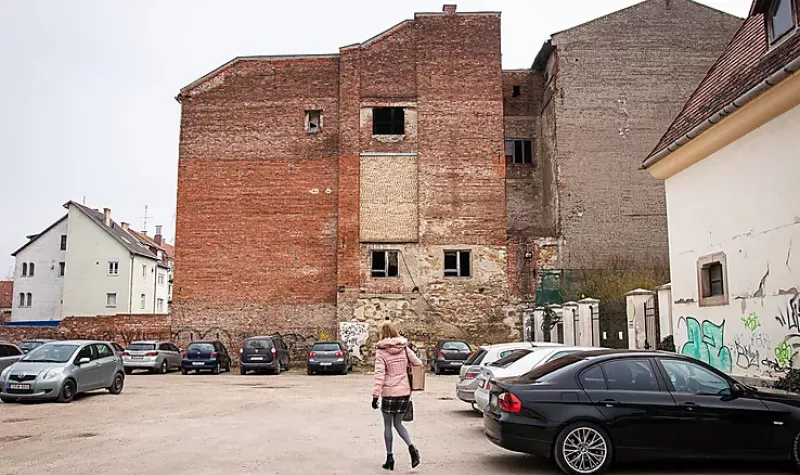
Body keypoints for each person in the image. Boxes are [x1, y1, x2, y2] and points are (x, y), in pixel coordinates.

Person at [371, 321, 422, 471]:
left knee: (388, 425)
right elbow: (418, 363)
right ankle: (412, 449)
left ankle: (390, 458)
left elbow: (379, 375)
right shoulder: (404, 349)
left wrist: (375, 396)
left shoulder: (381, 351)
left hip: (389, 393)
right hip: (404, 393)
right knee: (398, 423)